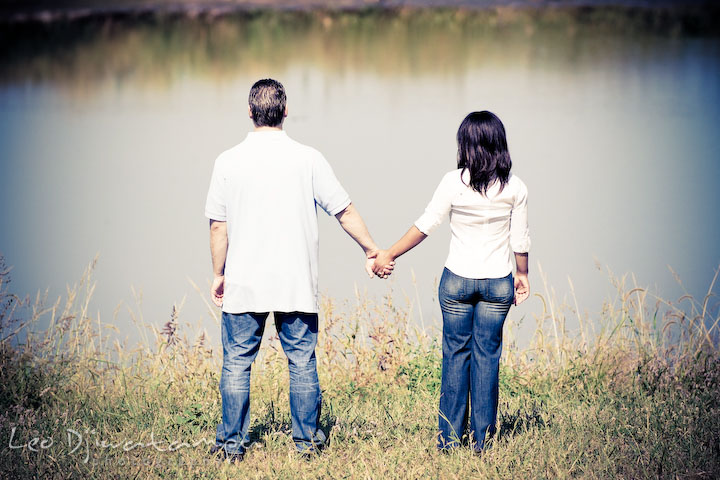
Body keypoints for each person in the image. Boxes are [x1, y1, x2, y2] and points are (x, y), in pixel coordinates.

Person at [205, 78, 392, 462]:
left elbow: (218, 226)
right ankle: (307, 445)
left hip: (244, 281)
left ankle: (230, 446)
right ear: (286, 111)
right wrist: (372, 249)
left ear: (250, 112)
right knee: (301, 361)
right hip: (296, 282)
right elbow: (344, 210)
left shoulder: (227, 161)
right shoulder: (308, 158)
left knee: (237, 363)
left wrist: (218, 273)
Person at [372, 111, 530, 453]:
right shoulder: (515, 187)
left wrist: (389, 254)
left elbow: (426, 225)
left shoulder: (453, 182)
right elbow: (520, 240)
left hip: (457, 282)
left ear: (466, 145)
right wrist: (523, 275)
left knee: (455, 355)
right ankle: (483, 443)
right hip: (497, 284)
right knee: (487, 357)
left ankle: (448, 441)